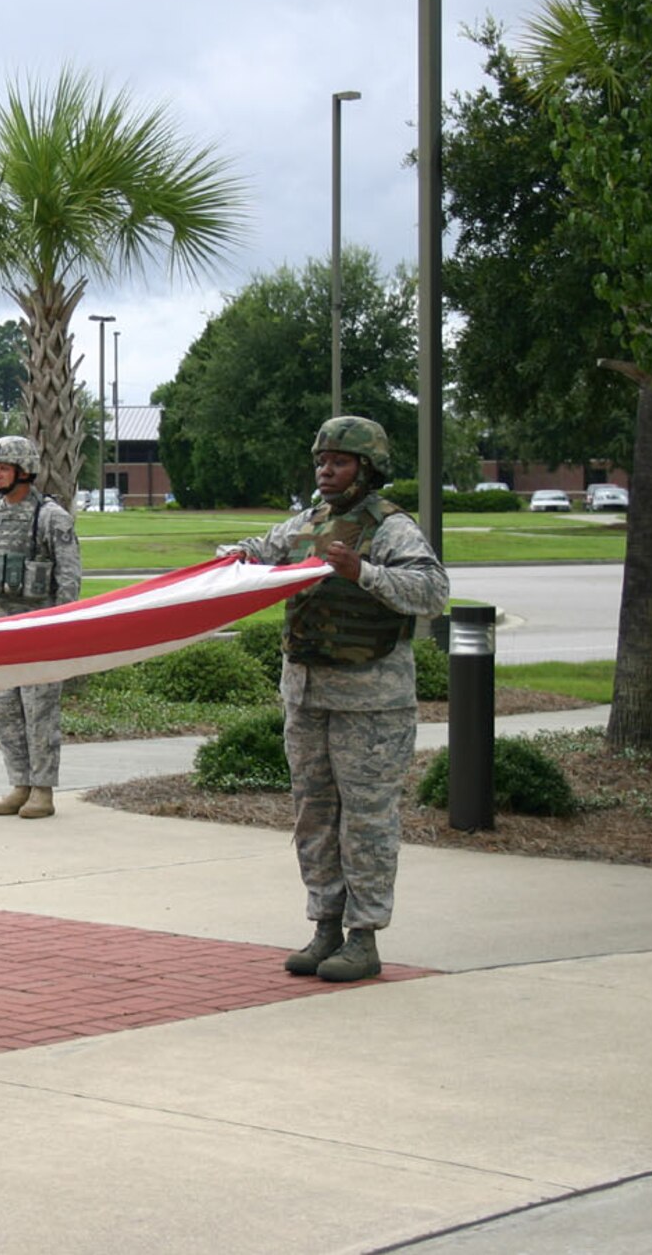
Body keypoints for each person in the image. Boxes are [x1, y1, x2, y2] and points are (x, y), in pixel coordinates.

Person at [225, 416, 449, 982]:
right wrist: (231, 559)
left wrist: (364, 572)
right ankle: (325, 924)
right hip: (307, 696)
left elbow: (432, 591)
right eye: (321, 461)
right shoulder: (308, 524)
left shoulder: (391, 529)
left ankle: (363, 936)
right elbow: (262, 551)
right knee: (314, 817)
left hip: (371, 704)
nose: (326, 471)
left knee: (367, 821)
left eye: (340, 462)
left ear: (367, 468)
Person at [0, 434, 82, 819]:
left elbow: (68, 578)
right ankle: (20, 784)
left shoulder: (50, 516)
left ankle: (43, 791)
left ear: (24, 472)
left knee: (39, 709)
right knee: (4, 709)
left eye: (4, 468)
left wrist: (61, 627)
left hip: (36, 632)